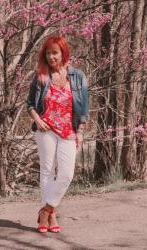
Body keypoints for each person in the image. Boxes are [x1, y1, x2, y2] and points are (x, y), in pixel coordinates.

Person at [27, 35, 88, 233]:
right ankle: (51, 217)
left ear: (63, 53)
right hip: (46, 130)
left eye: (55, 52)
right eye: (48, 53)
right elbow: (29, 104)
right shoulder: (41, 76)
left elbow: (84, 108)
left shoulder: (77, 76)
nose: (51, 57)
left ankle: (46, 209)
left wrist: (80, 131)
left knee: (67, 174)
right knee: (46, 170)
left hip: (68, 130)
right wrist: (38, 119)